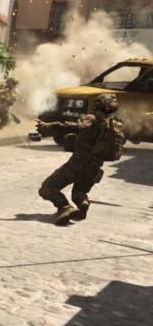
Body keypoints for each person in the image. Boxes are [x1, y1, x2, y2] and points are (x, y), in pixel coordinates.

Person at [36, 93, 125, 226]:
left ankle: (65, 208)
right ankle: (83, 204)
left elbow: (71, 126)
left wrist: (48, 126)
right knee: (79, 192)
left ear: (98, 105)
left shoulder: (92, 118)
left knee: (47, 188)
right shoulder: (113, 123)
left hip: (78, 163)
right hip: (95, 167)